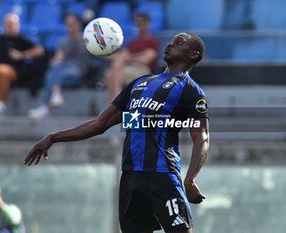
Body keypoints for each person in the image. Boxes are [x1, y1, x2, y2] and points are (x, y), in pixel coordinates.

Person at [24, 32, 209, 233]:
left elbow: (201, 137)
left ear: (192, 55)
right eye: (171, 40)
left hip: (162, 175)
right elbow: (99, 124)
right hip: (130, 176)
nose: (170, 44)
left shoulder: (190, 90)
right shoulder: (139, 84)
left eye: (179, 42)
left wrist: (190, 178)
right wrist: (53, 137)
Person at [28, 14, 93, 120]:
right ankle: (56, 94)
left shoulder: (88, 40)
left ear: (78, 25)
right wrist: (56, 61)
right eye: (68, 25)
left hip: (78, 71)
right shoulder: (63, 42)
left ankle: (46, 105)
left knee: (51, 74)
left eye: (72, 24)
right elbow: (59, 58)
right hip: (63, 72)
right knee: (55, 68)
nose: (70, 28)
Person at [0, 13, 44, 117]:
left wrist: (22, 55)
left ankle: (0, 107)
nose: (9, 26)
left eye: (12, 24)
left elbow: (39, 50)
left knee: (0, 71)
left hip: (10, 70)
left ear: (17, 25)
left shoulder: (21, 39)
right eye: (7, 23)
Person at [104, 13, 160, 102]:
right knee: (109, 73)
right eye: (138, 23)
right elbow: (122, 55)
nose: (140, 25)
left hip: (143, 70)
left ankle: (115, 105)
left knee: (115, 70)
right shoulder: (133, 42)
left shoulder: (153, 41)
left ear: (148, 24)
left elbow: (146, 60)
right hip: (129, 68)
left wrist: (128, 58)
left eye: (142, 22)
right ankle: (114, 103)